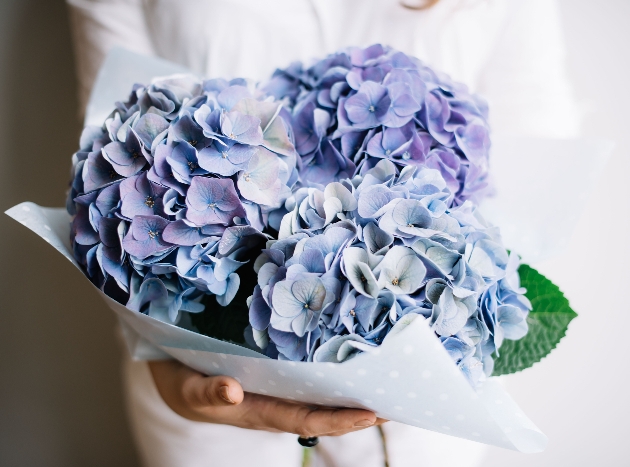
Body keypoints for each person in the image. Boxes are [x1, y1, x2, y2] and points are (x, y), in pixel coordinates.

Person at [66, 1, 580, 466]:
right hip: (208, 380)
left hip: (418, 399)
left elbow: (535, 177)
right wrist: (164, 364)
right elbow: (109, 154)